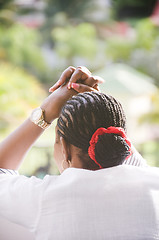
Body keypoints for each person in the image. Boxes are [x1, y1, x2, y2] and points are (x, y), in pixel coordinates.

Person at [0, 66, 158, 240]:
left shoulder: (45, 198)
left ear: (65, 149)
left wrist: (44, 112)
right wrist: (97, 107)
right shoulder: (153, 184)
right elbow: (138, 167)